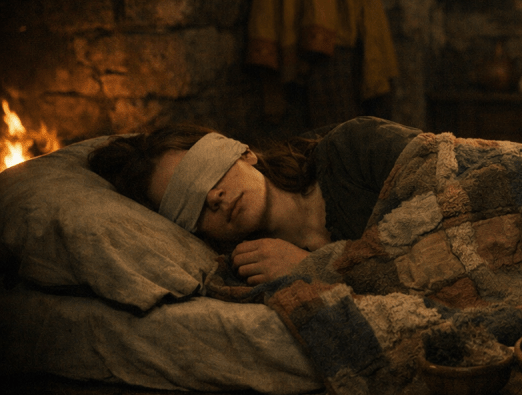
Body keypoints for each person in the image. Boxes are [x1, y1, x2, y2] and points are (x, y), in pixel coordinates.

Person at [88, 116, 422, 285]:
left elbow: (458, 186)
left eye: (207, 173)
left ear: (244, 152)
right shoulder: (254, 273)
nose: (213, 196)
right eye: (189, 204)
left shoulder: (352, 148)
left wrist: (314, 268)